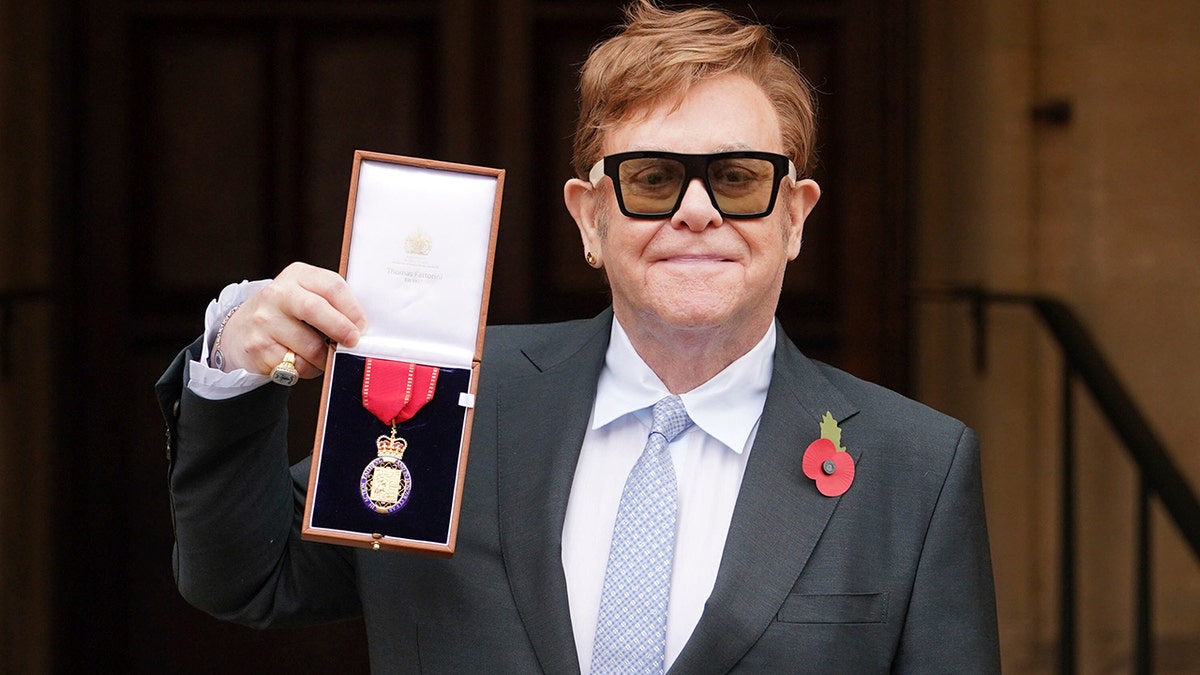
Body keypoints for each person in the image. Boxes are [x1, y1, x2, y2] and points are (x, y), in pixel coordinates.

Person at [157, 1, 1000, 672]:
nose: (696, 211)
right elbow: (247, 576)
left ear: (795, 217)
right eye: (653, 178)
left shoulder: (916, 469)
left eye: (740, 179)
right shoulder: (457, 400)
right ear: (590, 218)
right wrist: (235, 356)